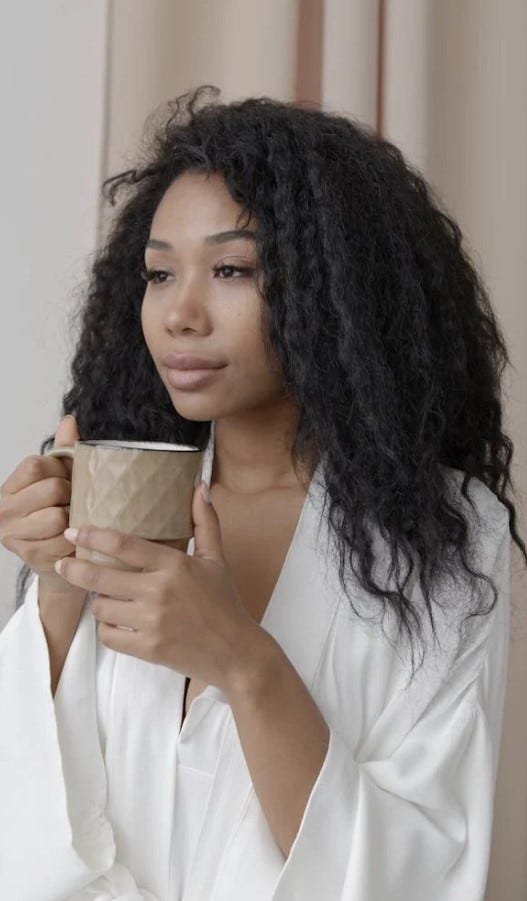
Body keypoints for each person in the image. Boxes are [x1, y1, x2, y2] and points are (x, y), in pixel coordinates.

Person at [0, 84, 525, 901]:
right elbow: (25, 827)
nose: (180, 312)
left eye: (232, 269)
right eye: (159, 272)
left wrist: (242, 661)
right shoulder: (121, 496)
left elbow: (421, 870)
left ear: (336, 290)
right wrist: (58, 591)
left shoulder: (446, 536)